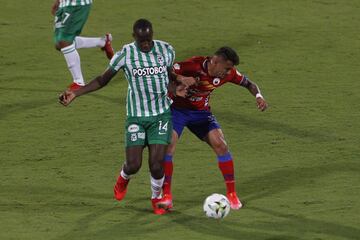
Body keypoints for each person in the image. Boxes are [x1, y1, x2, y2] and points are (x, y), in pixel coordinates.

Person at [59, 19, 195, 214]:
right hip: (136, 117)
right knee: (134, 164)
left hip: (160, 116)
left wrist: (177, 84)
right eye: (142, 41)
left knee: (156, 165)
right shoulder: (126, 54)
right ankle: (124, 177)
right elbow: (102, 80)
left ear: (152, 35)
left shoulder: (166, 50)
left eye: (148, 40)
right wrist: (76, 93)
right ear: (134, 38)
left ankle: (156, 197)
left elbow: (167, 73)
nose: (146, 44)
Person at [162, 47, 268, 210]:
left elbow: (249, 84)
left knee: (221, 145)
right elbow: (164, 74)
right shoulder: (192, 66)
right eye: (226, 68)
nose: (228, 73)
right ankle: (167, 196)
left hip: (201, 114)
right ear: (215, 61)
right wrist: (175, 88)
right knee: (168, 146)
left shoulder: (229, 74)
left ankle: (232, 194)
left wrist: (258, 96)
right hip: (177, 111)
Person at [52, 0, 114, 90]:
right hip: (64, 3)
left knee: (64, 41)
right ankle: (103, 42)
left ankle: (79, 82)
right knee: (59, 44)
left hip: (77, 5)